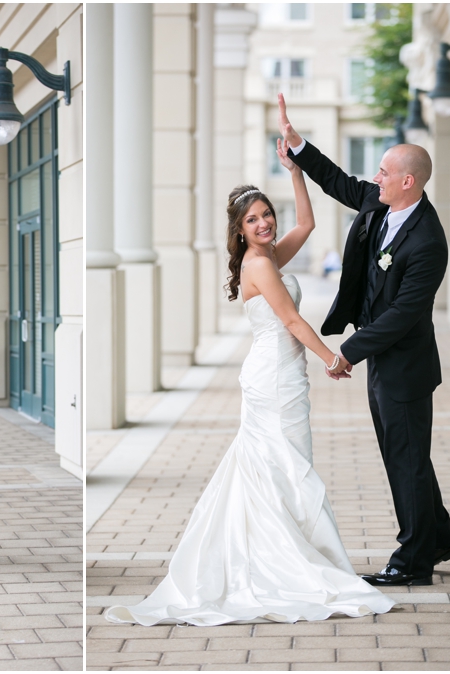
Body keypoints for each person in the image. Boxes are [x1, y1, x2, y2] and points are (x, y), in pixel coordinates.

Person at [105, 138, 395, 626]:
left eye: (266, 214)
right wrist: (334, 360)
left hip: (276, 374)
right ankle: (285, 561)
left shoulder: (267, 257)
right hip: (276, 378)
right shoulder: (260, 263)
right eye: (254, 220)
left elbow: (306, 223)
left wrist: (295, 171)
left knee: (280, 466)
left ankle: (281, 549)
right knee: (288, 465)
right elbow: (294, 323)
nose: (265, 223)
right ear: (239, 230)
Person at [278, 93, 450, 587]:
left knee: (405, 459)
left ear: (409, 181)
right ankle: (437, 539)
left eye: (383, 171)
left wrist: (346, 353)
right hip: (382, 358)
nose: (374, 178)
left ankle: (413, 562)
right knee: (407, 457)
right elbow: (339, 182)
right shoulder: (381, 206)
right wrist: (298, 147)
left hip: (404, 364)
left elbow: (404, 313)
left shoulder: (427, 240)